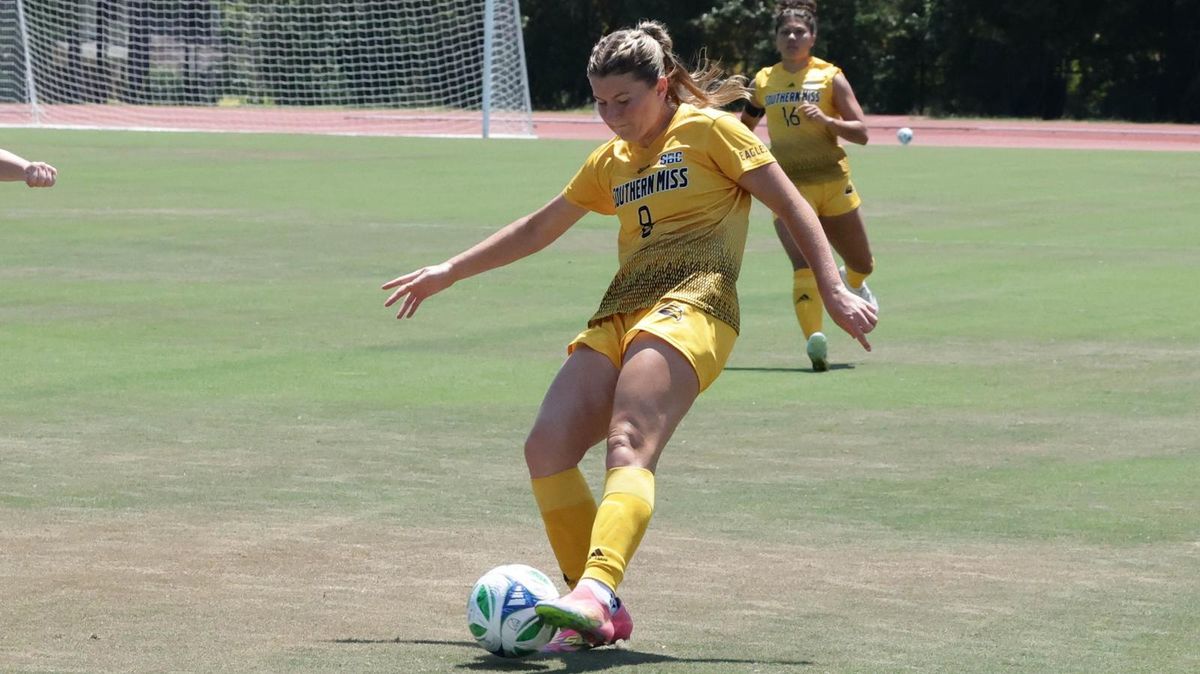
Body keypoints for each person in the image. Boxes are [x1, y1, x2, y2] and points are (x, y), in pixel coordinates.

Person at [382, 20, 876, 652]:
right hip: (621, 309)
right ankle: (593, 605)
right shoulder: (609, 161)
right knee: (546, 448)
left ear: (663, 84)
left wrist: (832, 287)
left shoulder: (712, 131)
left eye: (625, 100)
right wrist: (451, 270)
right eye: (600, 103)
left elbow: (794, 205)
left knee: (628, 441)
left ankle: (595, 589)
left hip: (697, 302)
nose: (611, 116)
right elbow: (540, 227)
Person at [740, 0, 877, 372]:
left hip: (833, 183)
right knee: (804, 264)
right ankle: (814, 342)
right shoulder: (764, 81)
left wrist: (829, 121)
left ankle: (855, 285)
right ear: (776, 38)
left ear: (812, 37)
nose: (792, 37)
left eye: (800, 31)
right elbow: (743, 129)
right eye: (785, 32)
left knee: (862, 263)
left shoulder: (831, 77)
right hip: (788, 188)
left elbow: (862, 133)